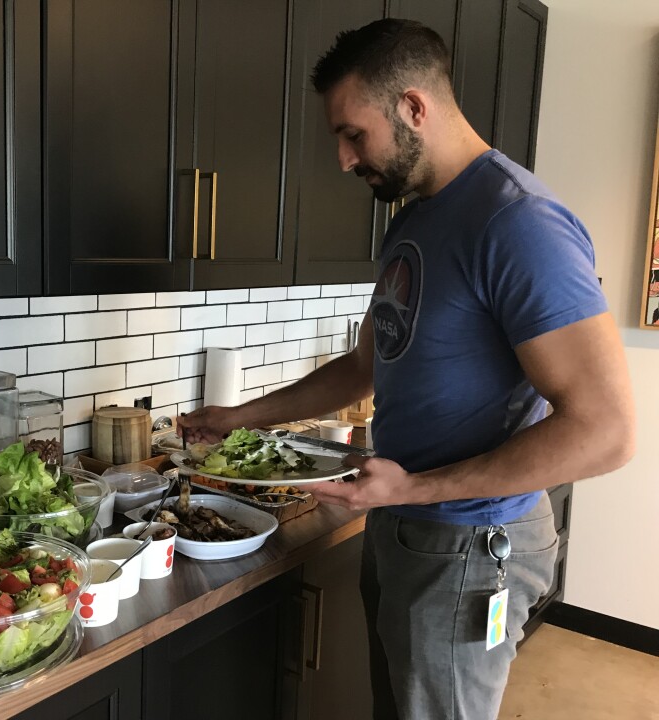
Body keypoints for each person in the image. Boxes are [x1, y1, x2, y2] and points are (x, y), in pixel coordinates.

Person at [180, 19, 635, 720]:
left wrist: (417, 487)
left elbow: (606, 431)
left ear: (414, 107)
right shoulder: (415, 220)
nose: (340, 157)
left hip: (469, 540)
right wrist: (237, 417)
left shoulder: (518, 224)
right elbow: (365, 366)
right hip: (408, 519)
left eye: (353, 134)